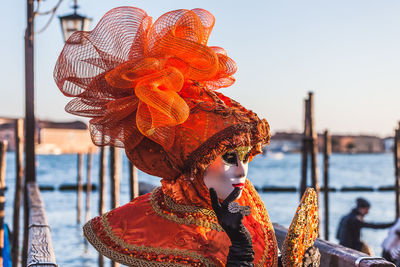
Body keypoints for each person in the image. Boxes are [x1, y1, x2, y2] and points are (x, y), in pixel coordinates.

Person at [54, 6, 319, 266]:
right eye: (229, 157)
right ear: (192, 163)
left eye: (245, 157)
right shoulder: (151, 233)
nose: (241, 172)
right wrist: (240, 251)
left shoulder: (241, 205)